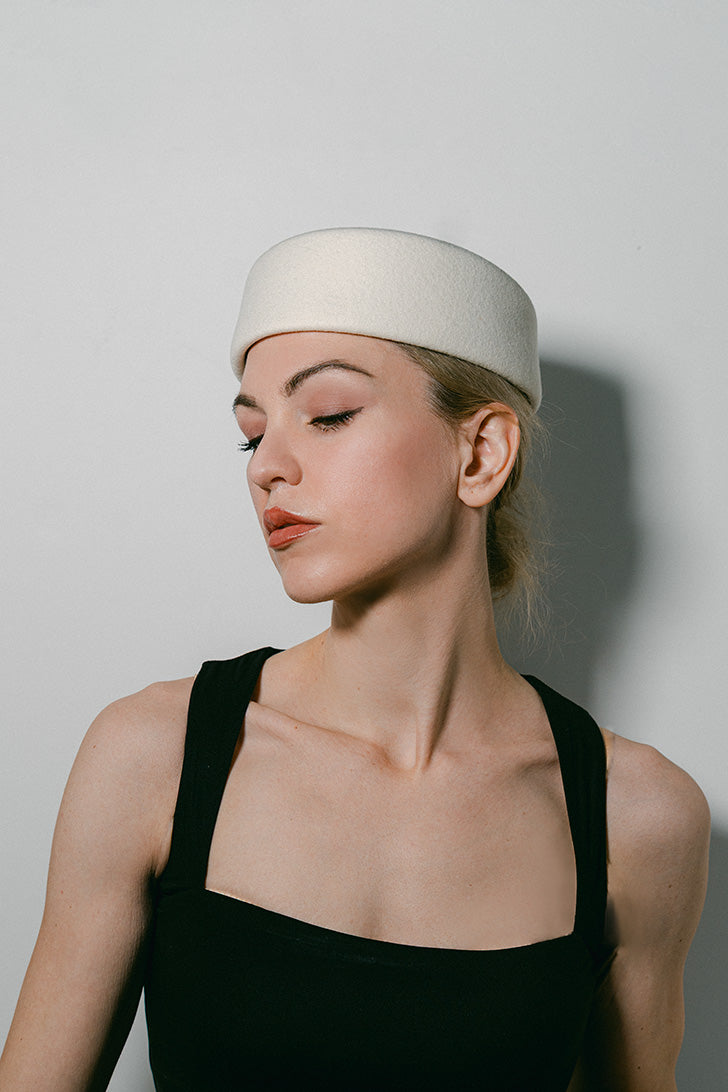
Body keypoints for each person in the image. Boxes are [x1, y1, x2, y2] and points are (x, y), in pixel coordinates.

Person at [0, 228, 710, 1091]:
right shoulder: (154, 756)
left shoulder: (641, 820)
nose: (268, 467)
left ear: (480, 453)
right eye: (250, 435)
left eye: (329, 414)